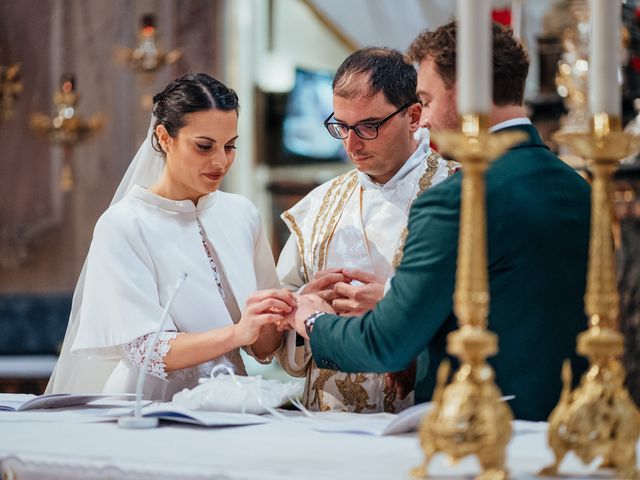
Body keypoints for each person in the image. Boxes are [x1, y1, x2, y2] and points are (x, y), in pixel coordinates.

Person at [283, 21, 591, 421]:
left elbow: (385, 343)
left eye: (426, 101)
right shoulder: (580, 188)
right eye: (342, 127)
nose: (424, 120)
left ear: (464, 94)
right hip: (571, 423)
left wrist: (313, 318)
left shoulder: (454, 197)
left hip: (482, 428)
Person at [47, 73, 294, 400]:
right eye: (204, 146)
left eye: (230, 146)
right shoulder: (123, 224)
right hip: (145, 406)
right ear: (164, 138)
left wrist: (292, 305)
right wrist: (236, 333)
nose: (220, 161)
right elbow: (144, 348)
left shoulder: (243, 215)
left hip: (230, 403)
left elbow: (262, 346)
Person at [276, 47, 457, 413]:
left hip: (423, 418)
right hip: (328, 420)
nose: (351, 144)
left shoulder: (458, 191)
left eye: (368, 127)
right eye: (341, 126)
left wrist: (398, 313)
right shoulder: (318, 205)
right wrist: (300, 305)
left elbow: (487, 305)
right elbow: (281, 324)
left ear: (414, 116)